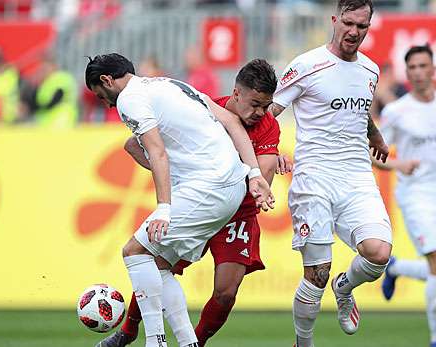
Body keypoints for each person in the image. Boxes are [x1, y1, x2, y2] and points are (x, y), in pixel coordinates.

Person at [96, 59, 291, 347]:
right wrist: (187, 181)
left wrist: (270, 161)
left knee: (225, 293)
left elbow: (261, 178)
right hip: (204, 199)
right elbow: (146, 146)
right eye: (256, 104)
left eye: (265, 105)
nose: (260, 112)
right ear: (236, 94)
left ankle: (192, 341)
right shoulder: (211, 108)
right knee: (153, 262)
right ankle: (129, 329)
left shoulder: (267, 125)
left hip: (239, 214)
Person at [268, 1, 392, 346]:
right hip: (315, 179)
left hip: (356, 177)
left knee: (379, 253)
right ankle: (303, 343)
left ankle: (346, 286)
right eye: (348, 23)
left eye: (362, 26)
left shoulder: (370, 70)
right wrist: (269, 148)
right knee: (316, 275)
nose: (354, 32)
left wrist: (375, 133)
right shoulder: (307, 65)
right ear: (335, 20)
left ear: (369, 26)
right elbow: (269, 111)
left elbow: (358, 109)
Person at [376, 44, 436, 347]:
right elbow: (372, 154)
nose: (418, 72)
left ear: (434, 70)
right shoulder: (396, 112)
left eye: (423, 66)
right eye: (412, 68)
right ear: (407, 73)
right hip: (416, 195)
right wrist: (397, 164)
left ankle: (397, 267)